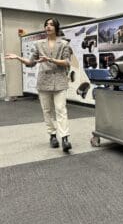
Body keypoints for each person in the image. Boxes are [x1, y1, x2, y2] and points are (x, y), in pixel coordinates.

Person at [5, 18, 73, 152]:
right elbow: (31, 62)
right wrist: (18, 58)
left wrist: (51, 59)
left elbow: (67, 62)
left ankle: (64, 138)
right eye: (46, 25)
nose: (48, 27)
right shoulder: (39, 44)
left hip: (59, 80)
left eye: (51, 25)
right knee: (47, 111)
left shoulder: (64, 44)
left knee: (61, 109)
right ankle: (52, 135)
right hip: (43, 81)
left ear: (56, 28)